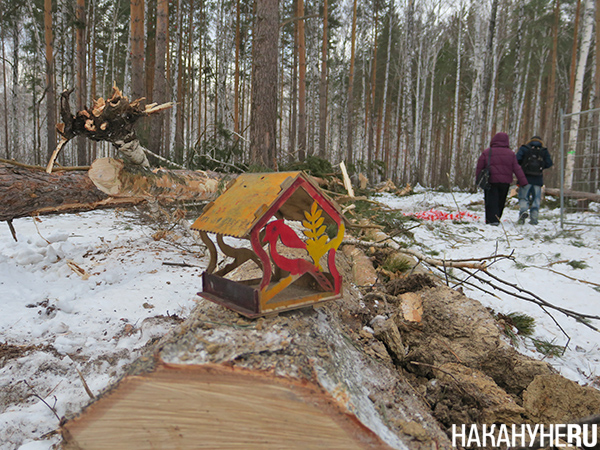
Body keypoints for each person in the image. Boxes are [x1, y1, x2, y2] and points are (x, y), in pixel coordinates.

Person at [476, 132, 528, 225]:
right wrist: (523, 181)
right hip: (505, 182)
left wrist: (478, 180)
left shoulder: (487, 152)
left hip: (490, 180)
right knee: (501, 200)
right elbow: (517, 168)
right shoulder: (510, 154)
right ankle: (497, 217)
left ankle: (491, 220)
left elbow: (480, 167)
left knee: (491, 200)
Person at [516, 136, 553, 225]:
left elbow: (516, 159)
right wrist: (541, 167)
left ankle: (523, 213)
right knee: (536, 199)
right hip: (538, 179)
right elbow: (549, 163)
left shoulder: (524, 149)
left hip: (525, 178)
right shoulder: (543, 151)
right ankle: (534, 219)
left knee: (524, 198)